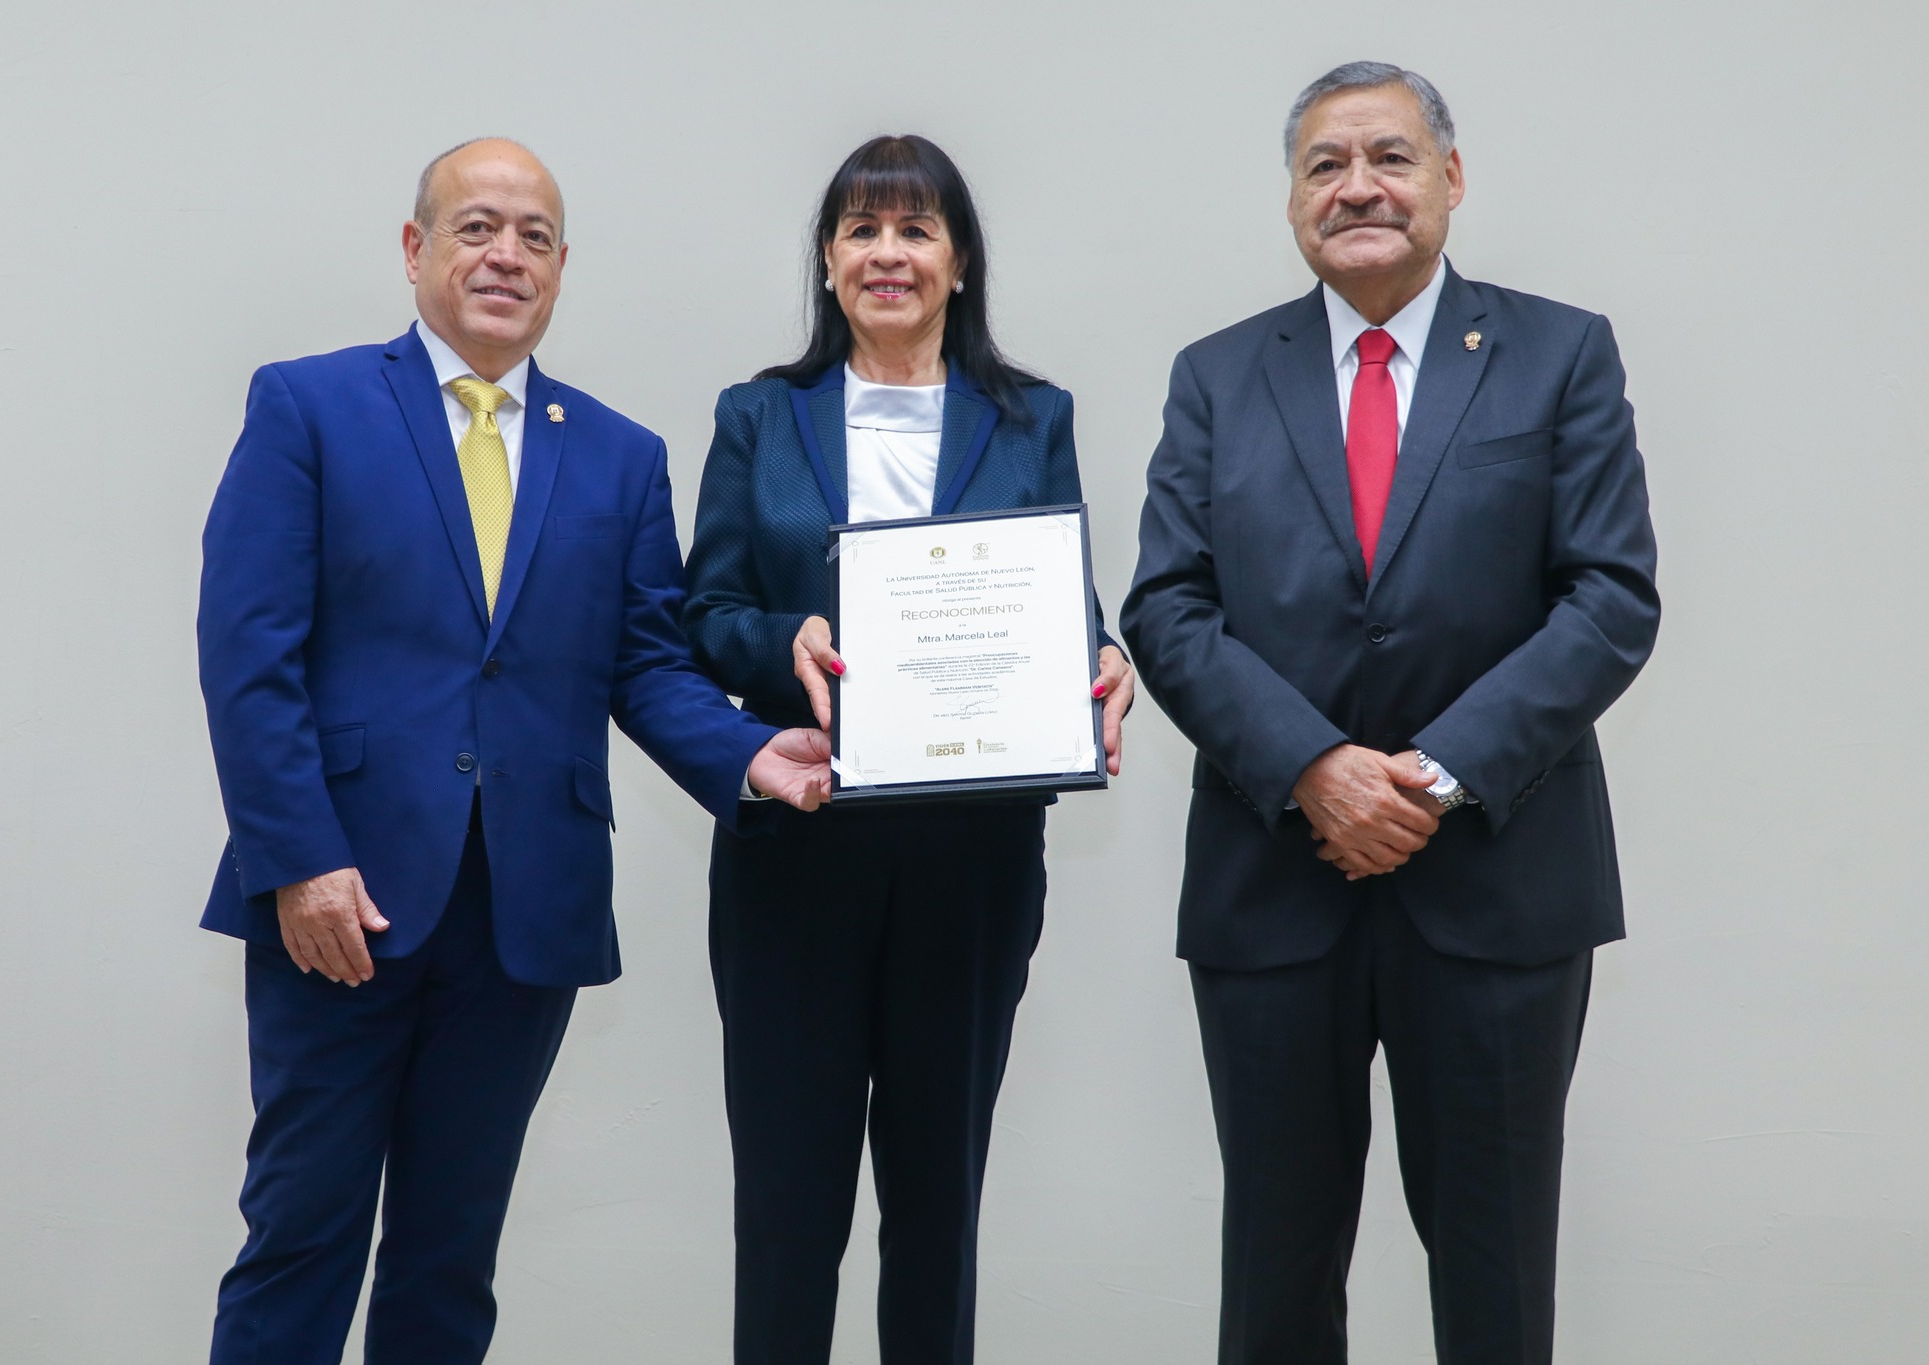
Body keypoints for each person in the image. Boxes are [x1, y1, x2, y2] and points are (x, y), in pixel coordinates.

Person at [196, 137, 830, 1365]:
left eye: (533, 237)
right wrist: (300, 862)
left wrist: (748, 755)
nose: (505, 256)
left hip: (523, 913)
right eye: (476, 227)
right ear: (414, 248)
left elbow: (644, 663)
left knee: (450, 1256)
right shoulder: (309, 407)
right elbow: (247, 653)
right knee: (301, 1237)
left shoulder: (618, 455)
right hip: (344, 901)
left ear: (560, 268)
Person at [1121, 64, 1660, 1364]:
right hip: (1272, 886)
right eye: (1325, 164)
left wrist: (1434, 773)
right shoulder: (1217, 375)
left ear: (1450, 179)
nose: (1356, 186)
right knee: (1275, 1282)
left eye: (1390, 157)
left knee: (1495, 1280)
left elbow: (1609, 596)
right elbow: (1168, 606)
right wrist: (1313, 766)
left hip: (1497, 885)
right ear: (1291, 198)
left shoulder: (1557, 353)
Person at [682, 134, 1136, 1364]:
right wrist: (786, 638)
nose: (888, 253)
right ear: (827, 261)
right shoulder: (758, 416)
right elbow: (704, 614)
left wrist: (1101, 661)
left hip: (971, 859)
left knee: (937, 1208)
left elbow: (1064, 607)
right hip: (797, 848)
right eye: (862, 230)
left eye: (916, 229)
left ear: (960, 261)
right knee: (787, 1212)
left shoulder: (1031, 418)